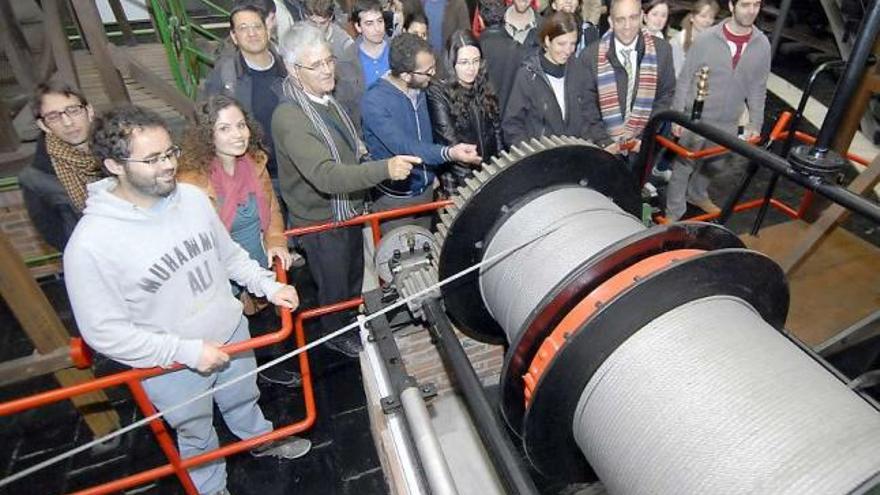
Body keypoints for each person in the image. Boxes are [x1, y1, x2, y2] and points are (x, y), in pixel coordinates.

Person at [64, 105, 310, 495]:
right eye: (151, 159)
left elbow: (227, 254)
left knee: (244, 396)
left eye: (169, 154)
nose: (166, 167)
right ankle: (210, 489)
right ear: (113, 165)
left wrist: (267, 285)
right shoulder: (90, 245)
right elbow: (103, 333)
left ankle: (260, 438)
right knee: (195, 430)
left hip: (232, 332)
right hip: (170, 366)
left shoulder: (193, 200)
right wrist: (187, 352)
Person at [272, 24, 421, 356]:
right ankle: (336, 335)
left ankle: (348, 321)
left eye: (329, 61)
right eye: (317, 65)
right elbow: (326, 176)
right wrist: (385, 169)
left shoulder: (324, 100)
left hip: (346, 210)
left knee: (352, 276)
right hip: (322, 221)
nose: (328, 70)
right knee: (335, 285)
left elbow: (349, 149)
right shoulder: (290, 117)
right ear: (295, 71)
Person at [177, 95, 303, 387]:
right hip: (219, 271)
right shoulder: (190, 181)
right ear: (207, 135)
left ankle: (270, 365)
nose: (237, 135)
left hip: (256, 257)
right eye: (224, 129)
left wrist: (276, 240)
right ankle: (241, 376)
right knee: (230, 329)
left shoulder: (255, 162)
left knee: (263, 318)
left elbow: (271, 208)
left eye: (241, 125)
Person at [361, 32, 481, 231]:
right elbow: (405, 147)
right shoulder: (374, 102)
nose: (433, 73)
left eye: (434, 67)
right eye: (427, 71)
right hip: (395, 200)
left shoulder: (425, 88)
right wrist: (449, 153)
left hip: (427, 192)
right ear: (406, 75)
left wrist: (432, 176)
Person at [665, 0, 770, 221]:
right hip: (696, 118)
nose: (751, 11)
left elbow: (758, 88)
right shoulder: (707, 39)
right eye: (745, 5)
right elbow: (685, 78)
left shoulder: (762, 45)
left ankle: (697, 194)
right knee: (683, 166)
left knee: (717, 163)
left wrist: (755, 124)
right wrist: (677, 115)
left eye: (756, 5)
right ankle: (673, 214)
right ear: (732, 6)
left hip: (729, 121)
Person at [580, 0, 676, 162]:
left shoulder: (662, 51)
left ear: (641, 18)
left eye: (633, 18)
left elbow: (665, 97)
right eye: (620, 19)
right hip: (602, 148)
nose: (627, 26)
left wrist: (645, 137)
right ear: (610, 21)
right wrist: (605, 142)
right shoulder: (590, 56)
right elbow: (585, 105)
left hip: (642, 147)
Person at [18, 82, 104, 251]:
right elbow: (54, 235)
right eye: (53, 117)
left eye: (73, 110)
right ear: (43, 125)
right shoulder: (35, 178)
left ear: (89, 111)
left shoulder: (121, 149)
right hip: (97, 258)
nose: (67, 122)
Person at [427, 30, 503, 194]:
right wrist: (474, 186)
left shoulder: (483, 85)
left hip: (488, 173)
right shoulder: (438, 93)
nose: (471, 69)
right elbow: (448, 140)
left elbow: (497, 134)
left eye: (475, 61)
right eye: (464, 62)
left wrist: (499, 170)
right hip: (458, 178)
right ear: (451, 63)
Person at [502, 12, 590, 146]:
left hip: (575, 157)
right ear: (547, 41)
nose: (568, 50)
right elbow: (512, 125)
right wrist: (530, 156)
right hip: (542, 160)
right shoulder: (527, 75)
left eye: (572, 44)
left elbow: (589, 114)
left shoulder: (579, 70)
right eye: (561, 44)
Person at [303, 0, 367, 127]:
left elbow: (353, 95)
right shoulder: (300, 35)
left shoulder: (344, 48)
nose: (317, 28)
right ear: (305, 17)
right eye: (312, 22)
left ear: (331, 18)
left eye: (322, 23)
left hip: (338, 112)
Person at [479, 0, 524, 112]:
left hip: (483, 120)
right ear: (505, 17)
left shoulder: (474, 50)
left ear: (480, 20)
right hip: (512, 119)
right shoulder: (518, 49)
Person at [669, 0, 719, 76]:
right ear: (692, 18)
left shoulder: (715, 43)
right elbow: (676, 74)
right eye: (703, 16)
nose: (707, 21)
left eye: (711, 17)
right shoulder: (677, 42)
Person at [353, 0, 391, 88]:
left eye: (380, 21)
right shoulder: (349, 60)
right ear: (358, 27)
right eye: (369, 24)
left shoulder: (397, 50)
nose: (377, 28)